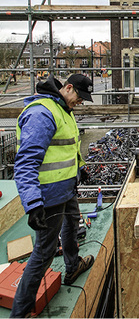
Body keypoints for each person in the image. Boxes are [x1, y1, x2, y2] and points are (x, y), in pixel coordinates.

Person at [10, 73, 95, 317]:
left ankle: (72, 266)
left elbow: (67, 145)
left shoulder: (63, 109)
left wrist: (79, 169)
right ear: (68, 88)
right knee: (44, 253)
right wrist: (33, 203)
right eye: (80, 97)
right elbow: (26, 163)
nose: (81, 103)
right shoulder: (42, 113)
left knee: (71, 224)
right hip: (48, 197)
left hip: (67, 188)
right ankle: (21, 312)